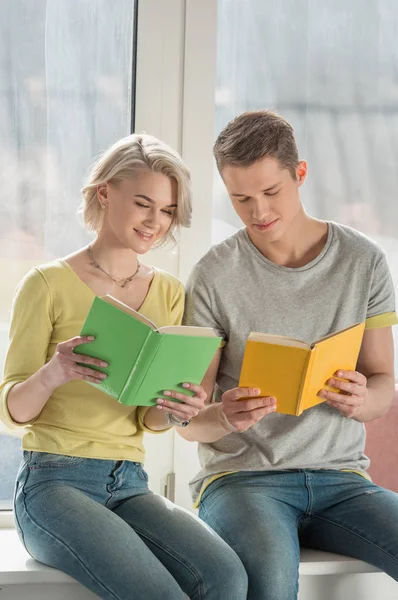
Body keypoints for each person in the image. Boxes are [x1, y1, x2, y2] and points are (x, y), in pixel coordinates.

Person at [0, 134, 248, 600]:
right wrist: (55, 371)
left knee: (226, 576)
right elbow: (10, 408)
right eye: (143, 204)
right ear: (105, 193)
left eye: (168, 210)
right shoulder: (47, 284)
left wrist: (178, 407)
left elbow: (148, 419)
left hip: (129, 483)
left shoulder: (170, 292)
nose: (156, 221)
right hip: (53, 483)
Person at [168, 110, 398, 599]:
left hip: (343, 480)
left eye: (271, 192)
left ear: (300, 173)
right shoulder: (214, 274)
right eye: (240, 198)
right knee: (269, 585)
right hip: (243, 482)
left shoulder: (364, 262)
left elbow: (382, 386)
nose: (258, 211)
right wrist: (225, 416)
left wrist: (360, 397)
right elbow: (189, 421)